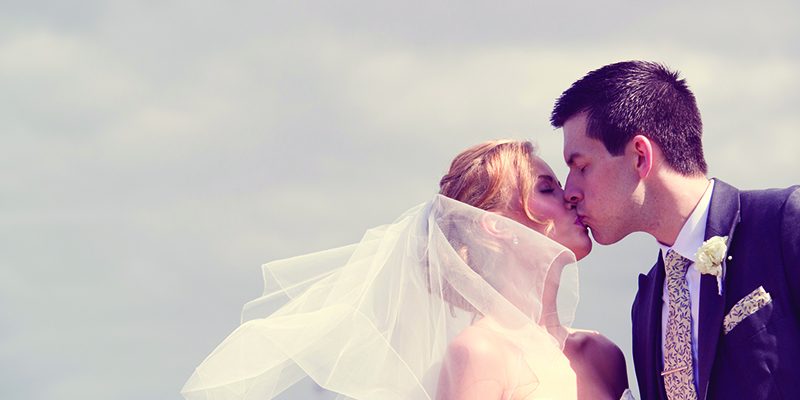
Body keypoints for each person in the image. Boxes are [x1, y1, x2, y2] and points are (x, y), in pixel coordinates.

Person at [181, 140, 631, 399]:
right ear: (494, 226)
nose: (571, 195)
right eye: (547, 188)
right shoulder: (481, 353)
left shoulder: (602, 355)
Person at [550, 60, 800, 400]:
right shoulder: (645, 304)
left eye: (581, 167)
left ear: (640, 156)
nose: (570, 191)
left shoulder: (784, 221)